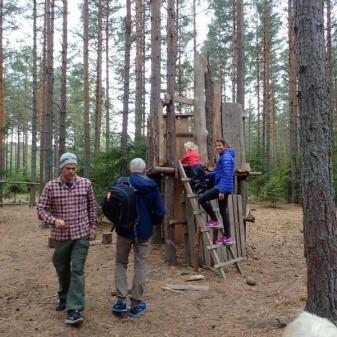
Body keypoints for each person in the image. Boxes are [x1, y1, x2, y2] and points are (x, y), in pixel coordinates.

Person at [37, 152, 98, 326]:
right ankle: (64, 296)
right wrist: (54, 220)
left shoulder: (85, 184)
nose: (71, 171)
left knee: (77, 269)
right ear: (61, 168)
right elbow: (41, 210)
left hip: (81, 234)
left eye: (73, 168)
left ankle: (75, 309)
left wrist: (93, 226)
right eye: (67, 168)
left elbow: (92, 207)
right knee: (62, 267)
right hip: (61, 236)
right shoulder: (51, 186)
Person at [111, 158, 166, 318]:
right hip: (143, 231)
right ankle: (135, 304)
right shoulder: (151, 186)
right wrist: (151, 222)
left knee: (121, 263)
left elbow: (110, 204)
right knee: (140, 265)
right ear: (144, 169)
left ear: (130, 168)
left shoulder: (120, 182)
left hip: (123, 230)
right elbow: (160, 212)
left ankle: (120, 301)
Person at [198, 139, 235, 245]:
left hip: (222, 187)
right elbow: (218, 173)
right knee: (223, 211)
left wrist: (222, 190)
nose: (218, 147)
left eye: (220, 145)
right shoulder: (224, 156)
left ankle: (214, 220)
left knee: (202, 199)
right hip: (225, 187)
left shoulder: (226, 157)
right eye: (216, 146)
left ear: (225, 145)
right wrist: (206, 175)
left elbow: (227, 174)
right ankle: (228, 237)